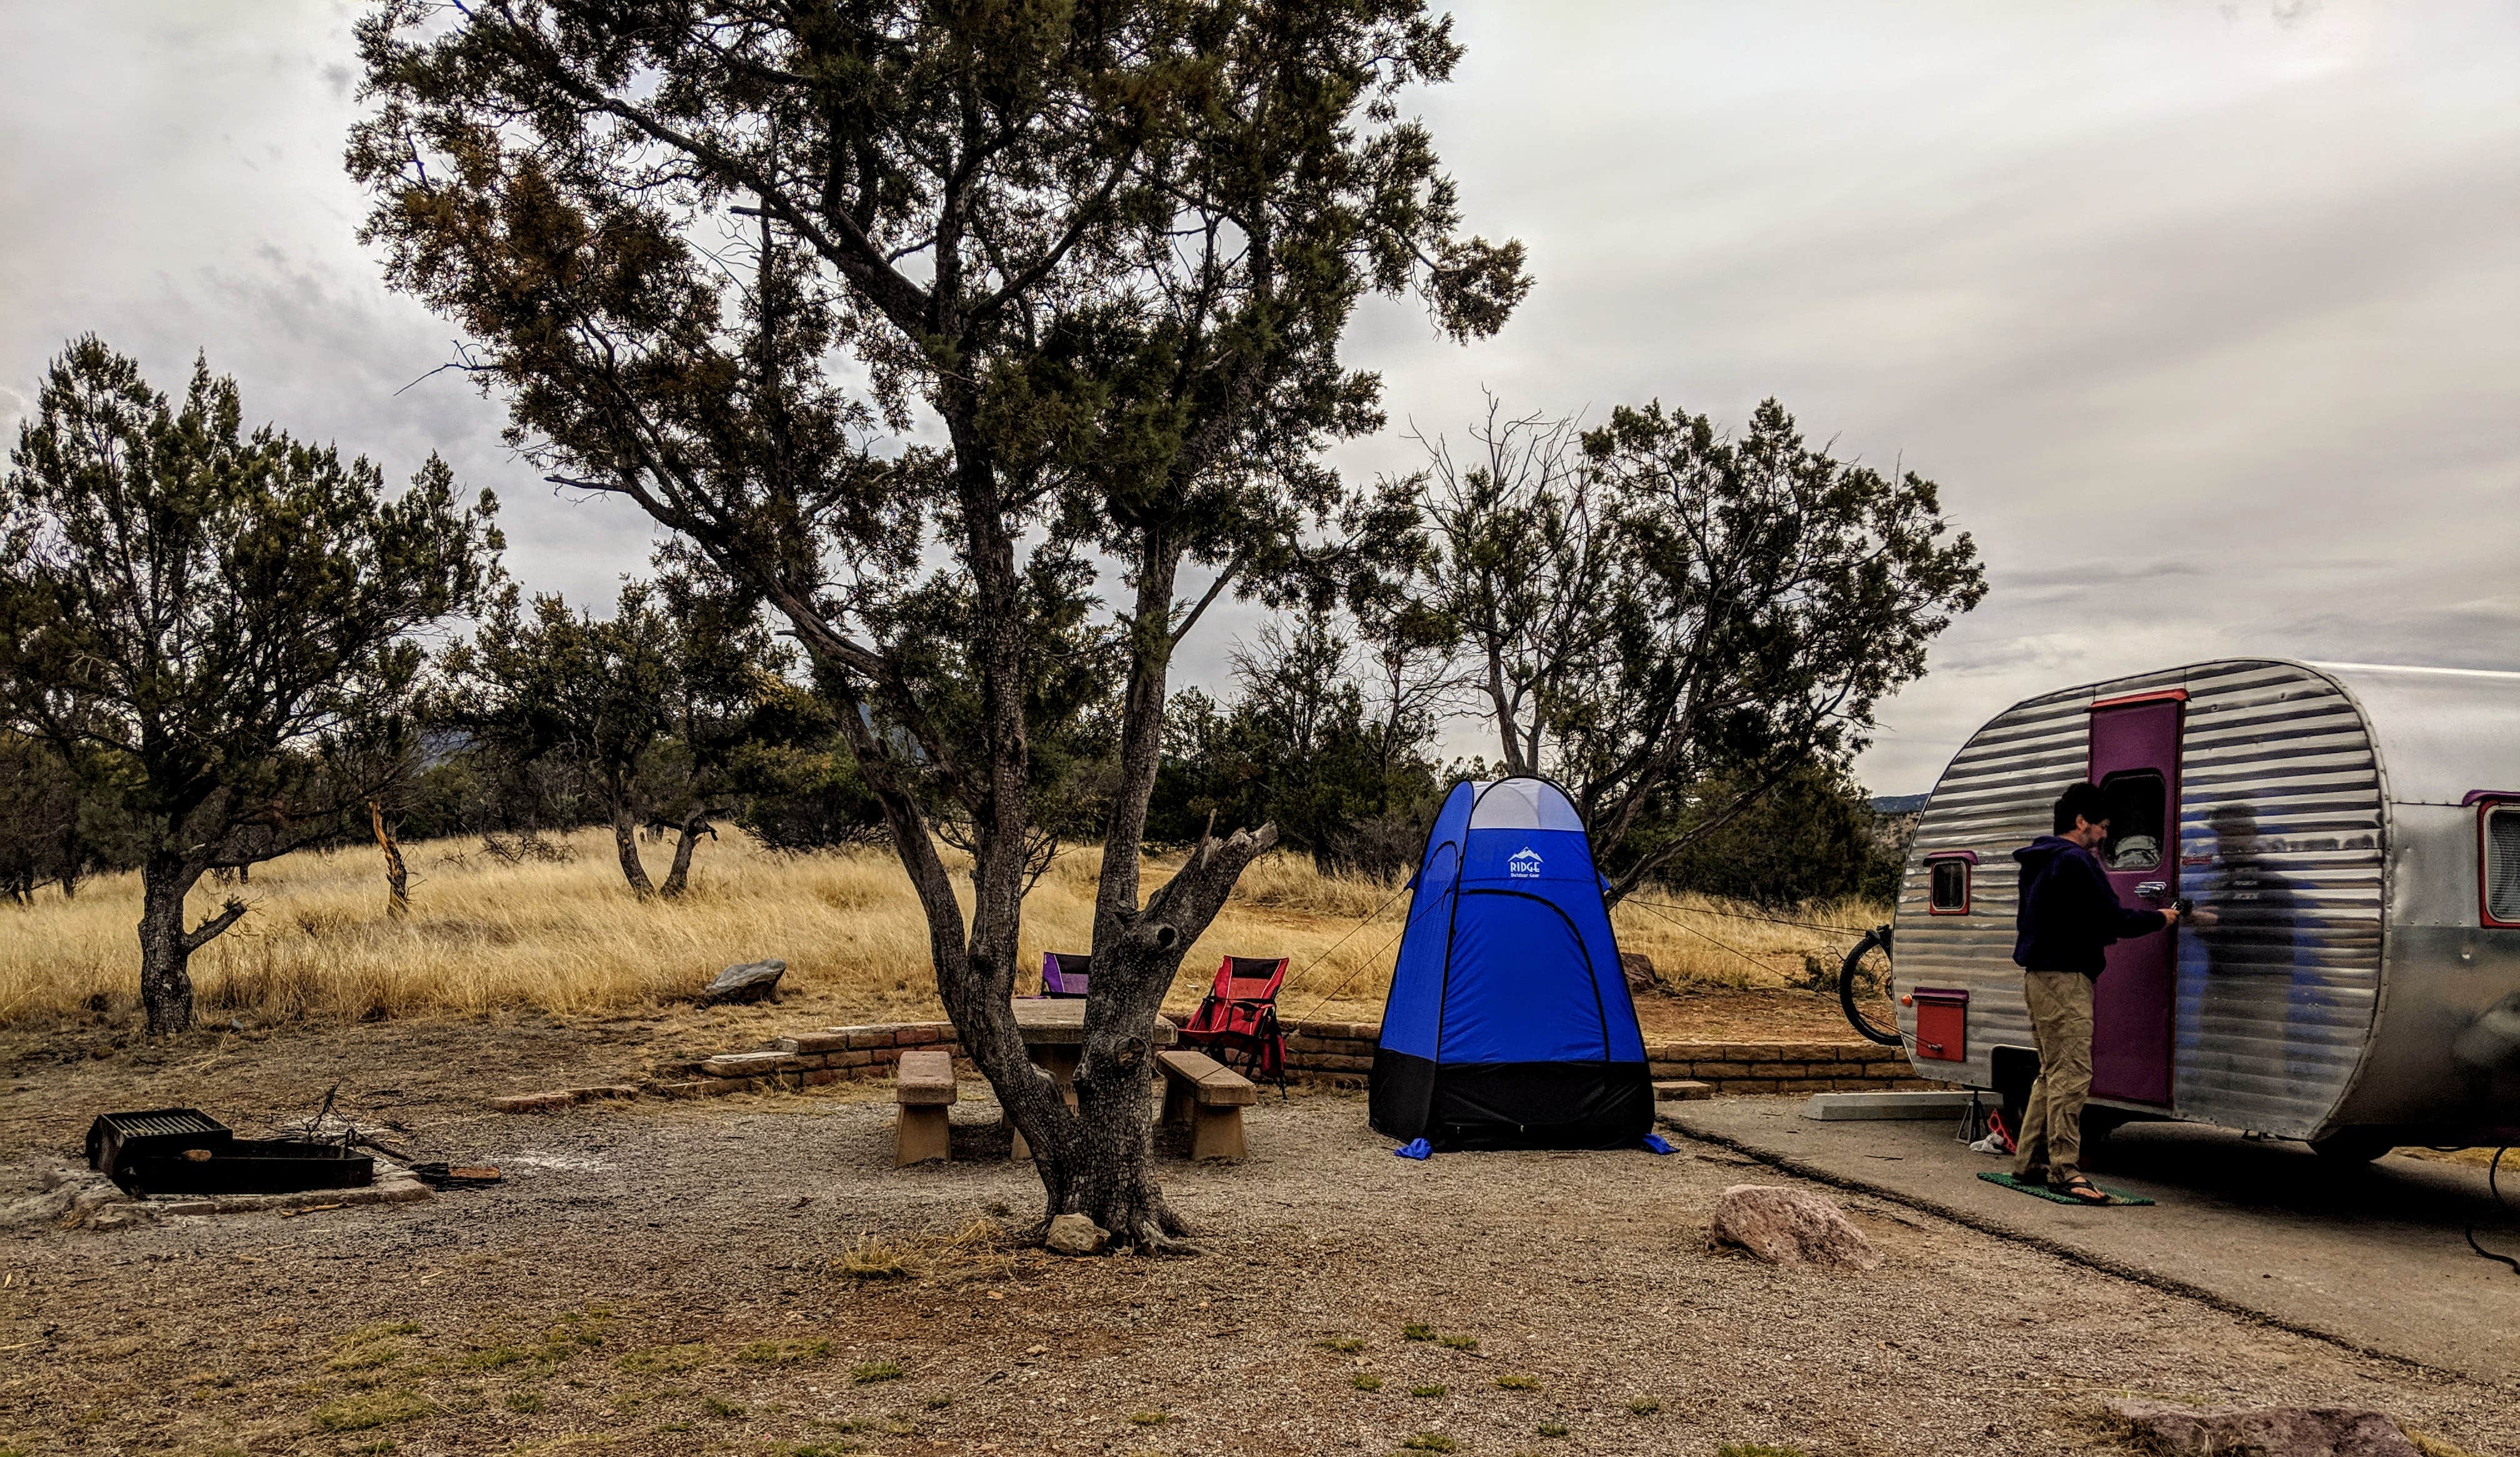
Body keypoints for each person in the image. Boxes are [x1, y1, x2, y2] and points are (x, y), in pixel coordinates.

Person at [2009, 781, 2183, 1205]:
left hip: (2037, 976)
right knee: (2073, 1074)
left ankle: (2027, 1161)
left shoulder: (2038, 861)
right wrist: (2163, 918)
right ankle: (2065, 1169)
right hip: (2066, 979)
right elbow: (2113, 918)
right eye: (2102, 826)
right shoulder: (2075, 862)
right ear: (2081, 821)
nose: (2105, 835)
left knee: (2050, 1072)